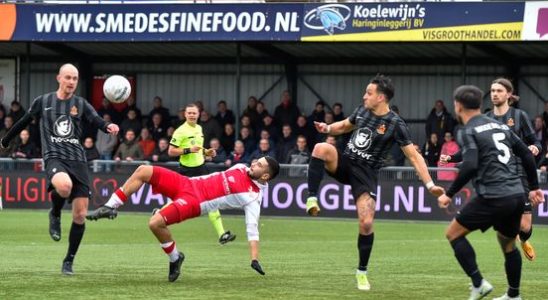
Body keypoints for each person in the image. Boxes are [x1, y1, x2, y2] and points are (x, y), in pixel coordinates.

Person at [304, 74, 444, 291]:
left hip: (366, 174)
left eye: (368, 93)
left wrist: (429, 185)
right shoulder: (361, 111)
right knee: (321, 148)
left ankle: (361, 272)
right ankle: (312, 198)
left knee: (366, 223)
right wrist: (328, 128)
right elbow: (344, 126)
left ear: (381, 97)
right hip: (346, 162)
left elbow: (415, 157)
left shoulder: (396, 124)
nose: (364, 96)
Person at [0, 63, 120, 275]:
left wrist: (107, 127)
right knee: (64, 187)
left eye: (75, 78)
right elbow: (23, 121)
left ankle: (68, 261)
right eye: (68, 77)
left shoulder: (80, 104)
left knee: (80, 215)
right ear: (59, 78)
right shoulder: (43, 102)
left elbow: (96, 119)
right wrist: (6, 140)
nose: (72, 82)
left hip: (78, 160)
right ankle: (54, 212)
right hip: (55, 157)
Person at [86, 157, 279, 281]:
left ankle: (175, 258)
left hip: (195, 202)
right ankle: (110, 207)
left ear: (266, 175)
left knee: (155, 223)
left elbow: (252, 229)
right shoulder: (240, 167)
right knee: (143, 170)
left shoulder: (253, 197)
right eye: (256, 161)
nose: (254, 163)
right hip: (186, 183)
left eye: (259, 165)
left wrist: (254, 259)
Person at [437, 85, 544, 300]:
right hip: (516, 194)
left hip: (494, 195)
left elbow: (470, 165)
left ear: (458, 106)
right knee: (507, 243)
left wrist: (449, 193)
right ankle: (513, 295)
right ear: (479, 103)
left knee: (453, 234)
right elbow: (526, 153)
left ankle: (478, 284)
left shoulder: (467, 130)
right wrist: (534, 187)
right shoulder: (500, 126)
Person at [168, 103, 235, 245]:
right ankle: (159, 215)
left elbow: (197, 147)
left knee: (212, 200)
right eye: (189, 113)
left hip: (201, 168)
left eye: (194, 113)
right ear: (185, 115)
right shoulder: (180, 131)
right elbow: (171, 151)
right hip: (186, 170)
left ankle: (222, 234)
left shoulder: (199, 128)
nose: (192, 115)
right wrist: (188, 150)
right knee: (179, 200)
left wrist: (206, 152)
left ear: (198, 115)